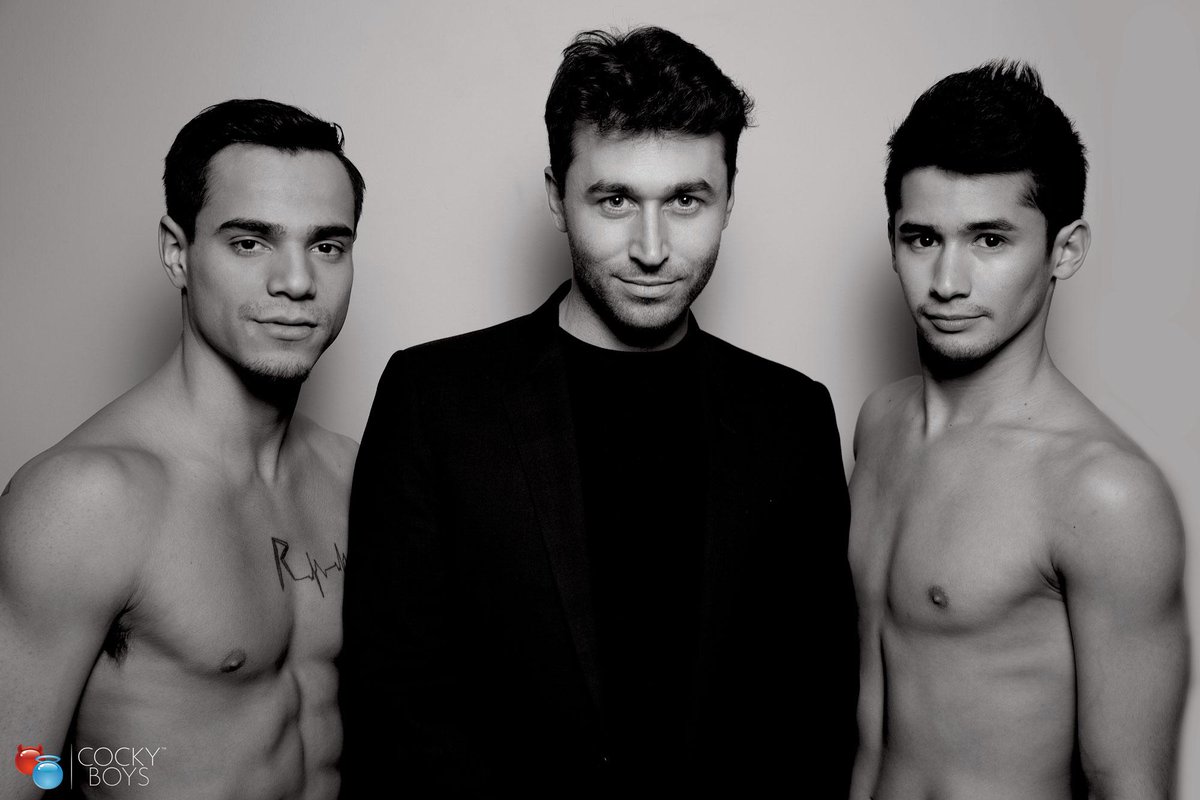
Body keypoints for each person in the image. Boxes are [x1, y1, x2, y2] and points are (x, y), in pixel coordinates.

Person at [341, 26, 856, 797]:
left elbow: (814, 707)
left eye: (686, 200)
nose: (651, 247)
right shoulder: (434, 399)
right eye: (615, 200)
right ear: (557, 197)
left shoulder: (793, 416)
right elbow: (396, 702)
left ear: (729, 199)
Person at [0, 99, 364, 800]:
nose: (296, 282)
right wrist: (112, 774)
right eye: (249, 242)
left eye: (327, 246)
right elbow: (14, 765)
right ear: (177, 252)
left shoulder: (352, 475)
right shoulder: (85, 500)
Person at [849, 61, 1189, 800]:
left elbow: (1131, 783)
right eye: (921, 239)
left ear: (1065, 249)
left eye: (990, 240)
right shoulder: (880, 425)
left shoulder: (1104, 492)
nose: (947, 282)